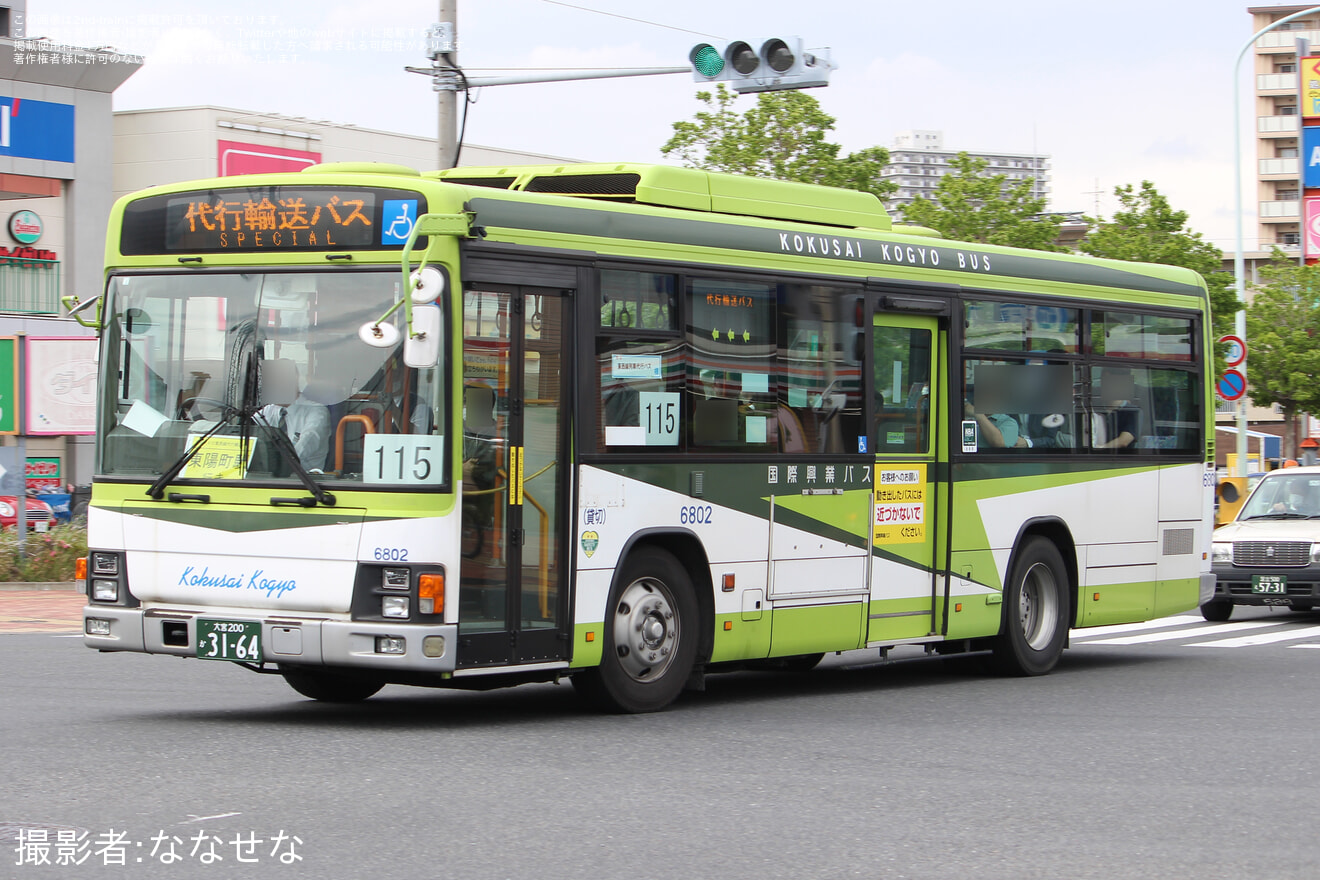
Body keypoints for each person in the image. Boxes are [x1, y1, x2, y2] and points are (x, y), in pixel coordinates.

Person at [258, 359, 331, 471]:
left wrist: (279, 463)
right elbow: (248, 431)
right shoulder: (268, 410)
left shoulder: (317, 412)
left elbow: (304, 447)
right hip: (268, 476)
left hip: (304, 480)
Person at [1092, 367, 1140, 449]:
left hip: (1122, 459)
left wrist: (1100, 448)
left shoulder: (1133, 411)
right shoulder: (1096, 408)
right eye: (1103, 381)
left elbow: (1124, 441)